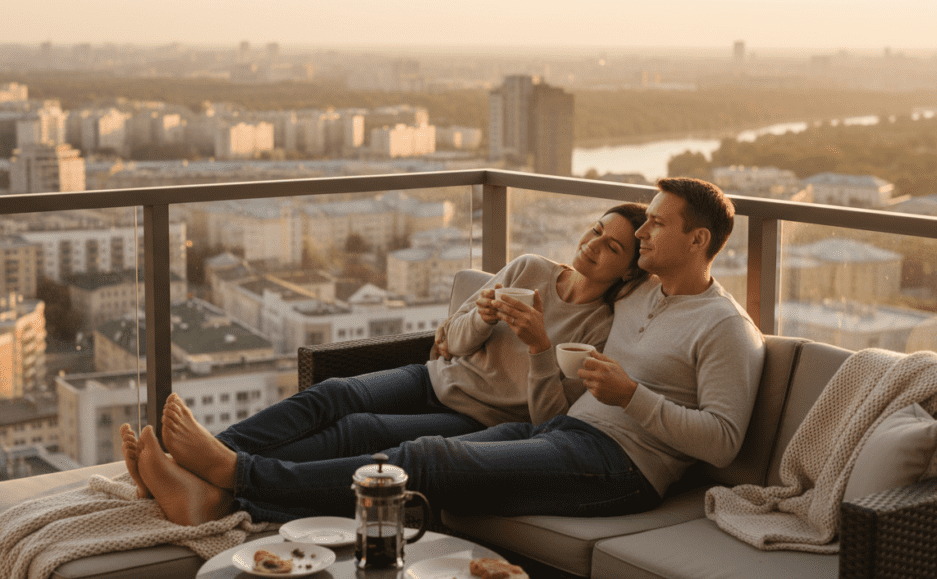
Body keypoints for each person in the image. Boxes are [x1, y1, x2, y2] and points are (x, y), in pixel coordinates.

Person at [126, 178, 765, 526]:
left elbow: (723, 442)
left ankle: (234, 477)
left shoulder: (725, 328)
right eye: (639, 222)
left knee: (424, 457)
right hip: (560, 430)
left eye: (656, 224)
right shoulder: (644, 297)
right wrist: (465, 323)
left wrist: (629, 394)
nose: (642, 232)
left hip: (620, 465)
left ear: (698, 240)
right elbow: (468, 332)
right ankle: (207, 484)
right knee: (359, 413)